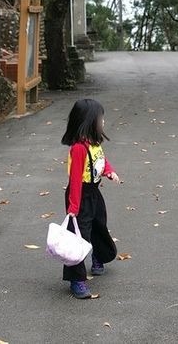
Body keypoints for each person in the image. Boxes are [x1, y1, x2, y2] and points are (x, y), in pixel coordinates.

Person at [60, 98, 122, 299]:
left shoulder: (94, 144)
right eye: (100, 119)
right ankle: (76, 280)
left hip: (94, 193)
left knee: (99, 226)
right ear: (88, 121)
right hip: (80, 196)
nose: (103, 122)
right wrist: (74, 208)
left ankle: (98, 256)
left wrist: (110, 172)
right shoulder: (78, 148)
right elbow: (76, 179)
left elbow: (102, 162)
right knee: (78, 237)